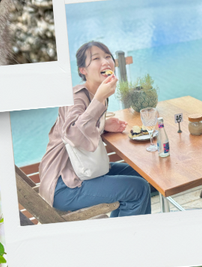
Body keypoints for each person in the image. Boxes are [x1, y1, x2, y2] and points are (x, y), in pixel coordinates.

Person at [36, 41, 152, 218]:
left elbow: (85, 128)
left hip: (83, 171)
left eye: (107, 56)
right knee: (138, 189)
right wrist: (99, 99)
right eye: (96, 58)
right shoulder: (77, 97)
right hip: (65, 185)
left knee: (142, 174)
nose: (105, 62)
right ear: (83, 70)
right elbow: (73, 135)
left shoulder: (98, 94)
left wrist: (103, 125)